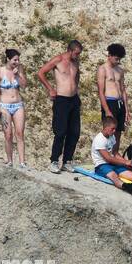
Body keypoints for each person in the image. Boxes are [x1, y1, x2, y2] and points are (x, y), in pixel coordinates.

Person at [37, 39, 83, 173]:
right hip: (61, 99)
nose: (77, 56)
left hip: (73, 99)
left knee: (74, 132)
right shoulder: (58, 60)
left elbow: (77, 75)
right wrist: (50, 89)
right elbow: (41, 73)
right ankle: (54, 160)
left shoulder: (76, 62)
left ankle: (67, 160)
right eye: (76, 53)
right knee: (60, 131)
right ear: (70, 50)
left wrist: (76, 89)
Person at [0, 48, 27, 169]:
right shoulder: (0, 72)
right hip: (4, 106)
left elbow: (24, 86)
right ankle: (10, 161)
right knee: (8, 134)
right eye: (14, 60)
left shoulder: (19, 69)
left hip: (18, 105)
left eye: (18, 60)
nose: (17, 62)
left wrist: (18, 74)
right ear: (8, 59)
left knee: (20, 133)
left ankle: (22, 162)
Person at [96, 43, 129, 149]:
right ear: (109, 55)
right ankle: (106, 154)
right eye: (116, 59)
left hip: (120, 102)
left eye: (119, 59)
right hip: (109, 101)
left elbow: (123, 90)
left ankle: (114, 154)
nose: (118, 61)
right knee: (109, 130)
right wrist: (106, 110)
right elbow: (101, 92)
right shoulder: (102, 69)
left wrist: (127, 110)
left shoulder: (120, 70)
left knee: (118, 131)